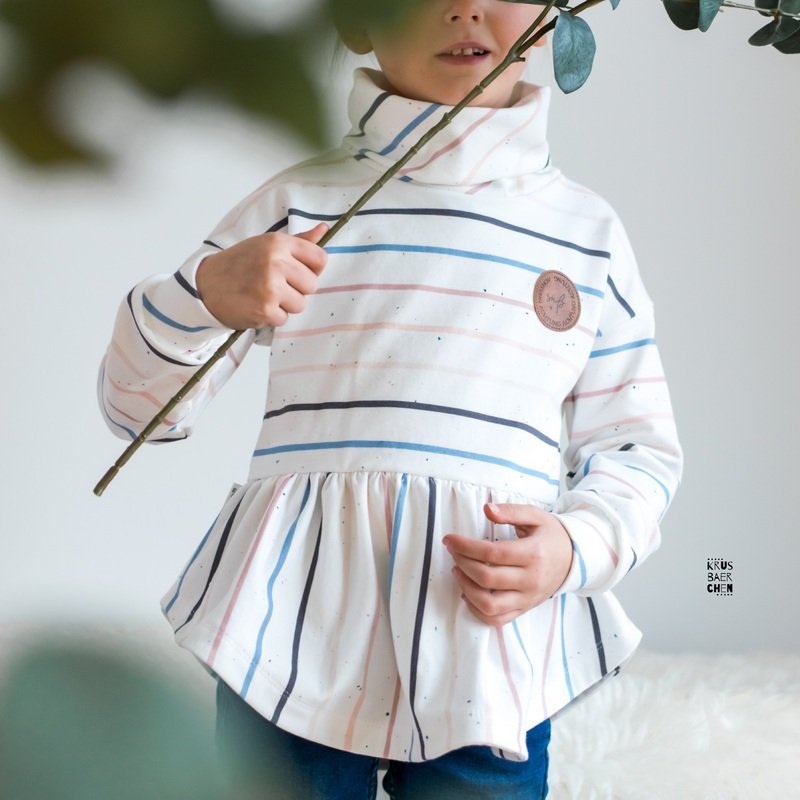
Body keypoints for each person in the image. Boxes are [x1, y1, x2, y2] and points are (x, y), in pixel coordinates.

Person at [98, 1, 682, 797]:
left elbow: (637, 447)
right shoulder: (300, 203)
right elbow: (136, 410)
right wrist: (200, 295)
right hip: (291, 631)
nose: (464, 7)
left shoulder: (588, 236)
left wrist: (573, 547)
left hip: (485, 637)